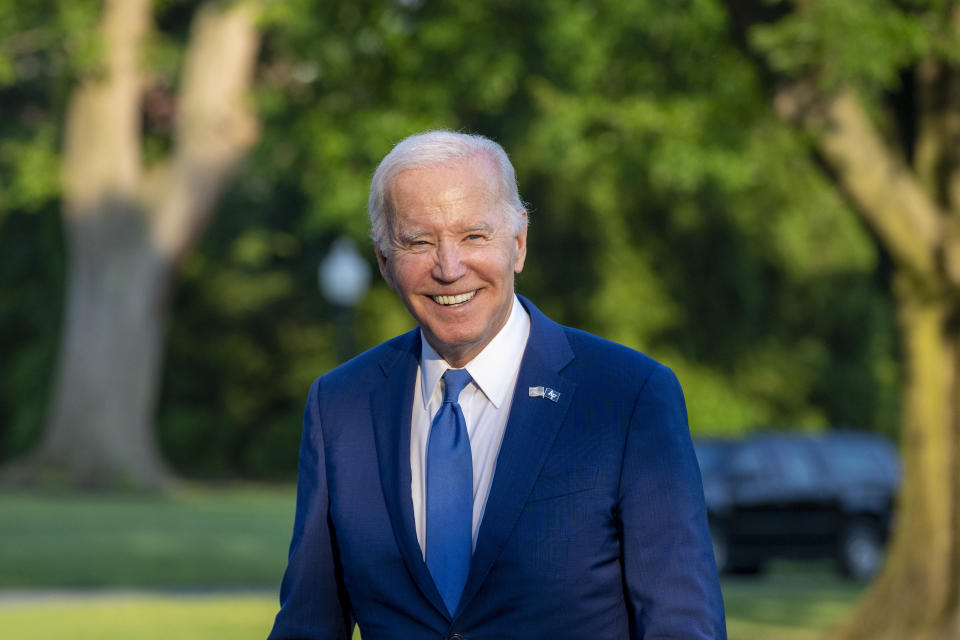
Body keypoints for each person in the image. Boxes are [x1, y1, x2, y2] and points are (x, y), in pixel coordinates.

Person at [268, 131, 726, 639]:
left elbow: (681, 623)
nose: (449, 267)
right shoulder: (340, 406)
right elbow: (308, 625)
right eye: (419, 241)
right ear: (383, 261)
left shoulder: (626, 396)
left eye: (473, 236)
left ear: (518, 243)